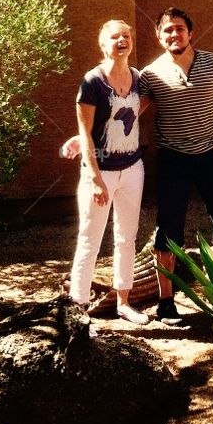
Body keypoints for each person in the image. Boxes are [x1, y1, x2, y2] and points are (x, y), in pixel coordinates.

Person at [139, 6, 213, 325]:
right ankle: (166, 302)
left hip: (211, 156)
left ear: (191, 33)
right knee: (168, 230)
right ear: (159, 37)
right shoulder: (150, 74)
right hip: (173, 160)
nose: (174, 33)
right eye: (168, 30)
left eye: (179, 28)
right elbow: (132, 114)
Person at [68, 19, 150, 326]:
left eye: (126, 35)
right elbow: (86, 130)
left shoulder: (139, 78)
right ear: (103, 45)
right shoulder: (92, 81)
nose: (122, 40)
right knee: (89, 240)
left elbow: (129, 112)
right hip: (100, 172)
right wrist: (95, 179)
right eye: (114, 37)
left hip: (132, 168)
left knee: (126, 238)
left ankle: (123, 302)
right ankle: (78, 310)